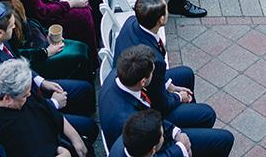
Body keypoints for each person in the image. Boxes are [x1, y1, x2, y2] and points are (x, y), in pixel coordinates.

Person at [98, 46, 232, 157]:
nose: (154, 74)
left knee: (186, 75)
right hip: (146, 140)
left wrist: (176, 132)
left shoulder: (121, 73)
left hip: (151, 127)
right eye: (152, 73)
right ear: (143, 81)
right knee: (223, 138)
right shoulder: (126, 120)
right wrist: (180, 149)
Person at [113, 0, 215, 131]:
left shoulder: (131, 21)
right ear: (161, 20)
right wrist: (179, 96)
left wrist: (170, 86)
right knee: (207, 114)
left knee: (186, 73)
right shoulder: (156, 60)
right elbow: (161, 104)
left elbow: (157, 81)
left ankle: (190, 112)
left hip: (139, 79)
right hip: (150, 106)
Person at [0, 59, 89, 157]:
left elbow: (48, 109)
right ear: (7, 99)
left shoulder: (21, 89)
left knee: (90, 128)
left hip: (55, 136)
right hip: (53, 149)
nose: (29, 96)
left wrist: (75, 138)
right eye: (24, 96)